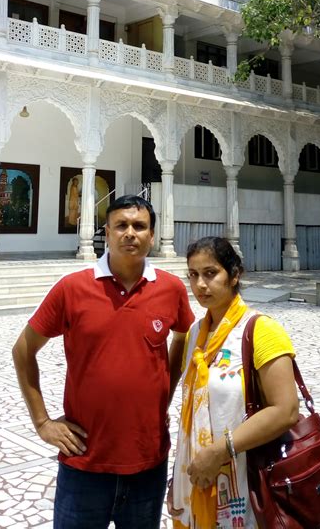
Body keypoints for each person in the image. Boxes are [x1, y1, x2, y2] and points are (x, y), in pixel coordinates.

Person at [12, 194, 194, 529]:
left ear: (152, 236)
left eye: (139, 226)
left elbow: (182, 338)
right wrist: (42, 422)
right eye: (120, 225)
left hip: (146, 464)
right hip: (84, 463)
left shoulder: (170, 289)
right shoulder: (72, 289)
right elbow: (23, 350)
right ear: (106, 233)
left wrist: (162, 397)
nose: (130, 233)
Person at [168, 236, 299, 529]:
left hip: (244, 478)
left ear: (234, 275)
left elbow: (286, 410)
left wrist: (219, 450)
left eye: (211, 273)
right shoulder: (195, 333)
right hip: (196, 480)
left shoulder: (261, 330)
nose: (200, 284)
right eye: (193, 275)